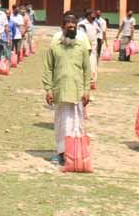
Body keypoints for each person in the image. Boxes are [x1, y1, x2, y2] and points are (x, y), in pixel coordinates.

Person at [43, 12, 91, 165]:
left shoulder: (81, 46)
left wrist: (87, 90)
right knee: (61, 123)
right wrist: (48, 89)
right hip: (60, 90)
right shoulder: (55, 45)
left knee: (76, 124)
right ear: (62, 28)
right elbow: (48, 68)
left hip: (77, 92)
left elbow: (87, 69)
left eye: (74, 27)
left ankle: (74, 153)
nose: (72, 29)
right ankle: (61, 153)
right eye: (69, 27)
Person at [78, 9, 100, 74]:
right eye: (93, 15)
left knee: (93, 66)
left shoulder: (95, 23)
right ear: (88, 15)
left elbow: (98, 32)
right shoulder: (82, 24)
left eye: (95, 15)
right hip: (86, 48)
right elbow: (81, 37)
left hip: (93, 48)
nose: (94, 16)